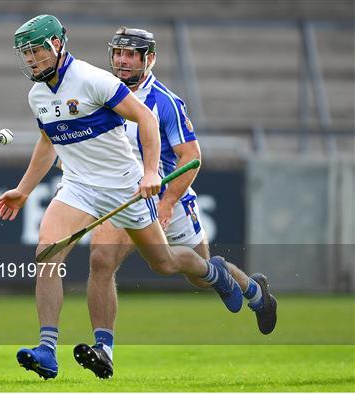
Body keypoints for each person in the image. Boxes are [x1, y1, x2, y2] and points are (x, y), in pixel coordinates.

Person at [0, 15, 244, 380]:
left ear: (58, 45)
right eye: (27, 54)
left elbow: (144, 118)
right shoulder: (37, 95)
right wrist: (23, 189)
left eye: (37, 51)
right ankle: (47, 350)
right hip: (78, 187)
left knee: (164, 264)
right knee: (46, 253)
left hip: (122, 187)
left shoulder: (93, 79)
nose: (32, 60)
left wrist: (148, 173)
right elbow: (49, 141)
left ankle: (213, 272)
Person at [71, 27, 278, 379]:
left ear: (148, 58)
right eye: (118, 53)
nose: (122, 60)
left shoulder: (164, 101)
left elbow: (191, 157)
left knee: (197, 275)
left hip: (167, 198)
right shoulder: (101, 92)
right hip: (123, 198)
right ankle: (103, 349)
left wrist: (166, 204)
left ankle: (254, 291)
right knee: (101, 258)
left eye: (131, 54)